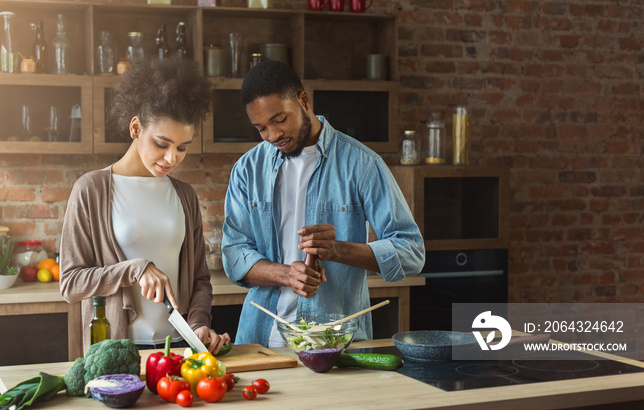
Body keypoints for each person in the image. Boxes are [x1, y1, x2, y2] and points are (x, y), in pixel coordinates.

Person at [222, 60, 425, 347]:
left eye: (280, 119)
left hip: (336, 342)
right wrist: (287, 274)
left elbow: (412, 253)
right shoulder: (247, 169)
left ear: (304, 101)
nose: (273, 135)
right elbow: (233, 255)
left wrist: (338, 249)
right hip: (261, 342)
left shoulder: (362, 164)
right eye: (261, 128)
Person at [60, 56, 229, 354]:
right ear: (136, 127)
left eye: (182, 148)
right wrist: (135, 269)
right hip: (117, 351)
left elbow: (201, 279)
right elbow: (71, 284)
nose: (171, 159)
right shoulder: (91, 190)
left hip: (179, 348)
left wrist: (200, 322)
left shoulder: (185, 195)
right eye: (161, 144)